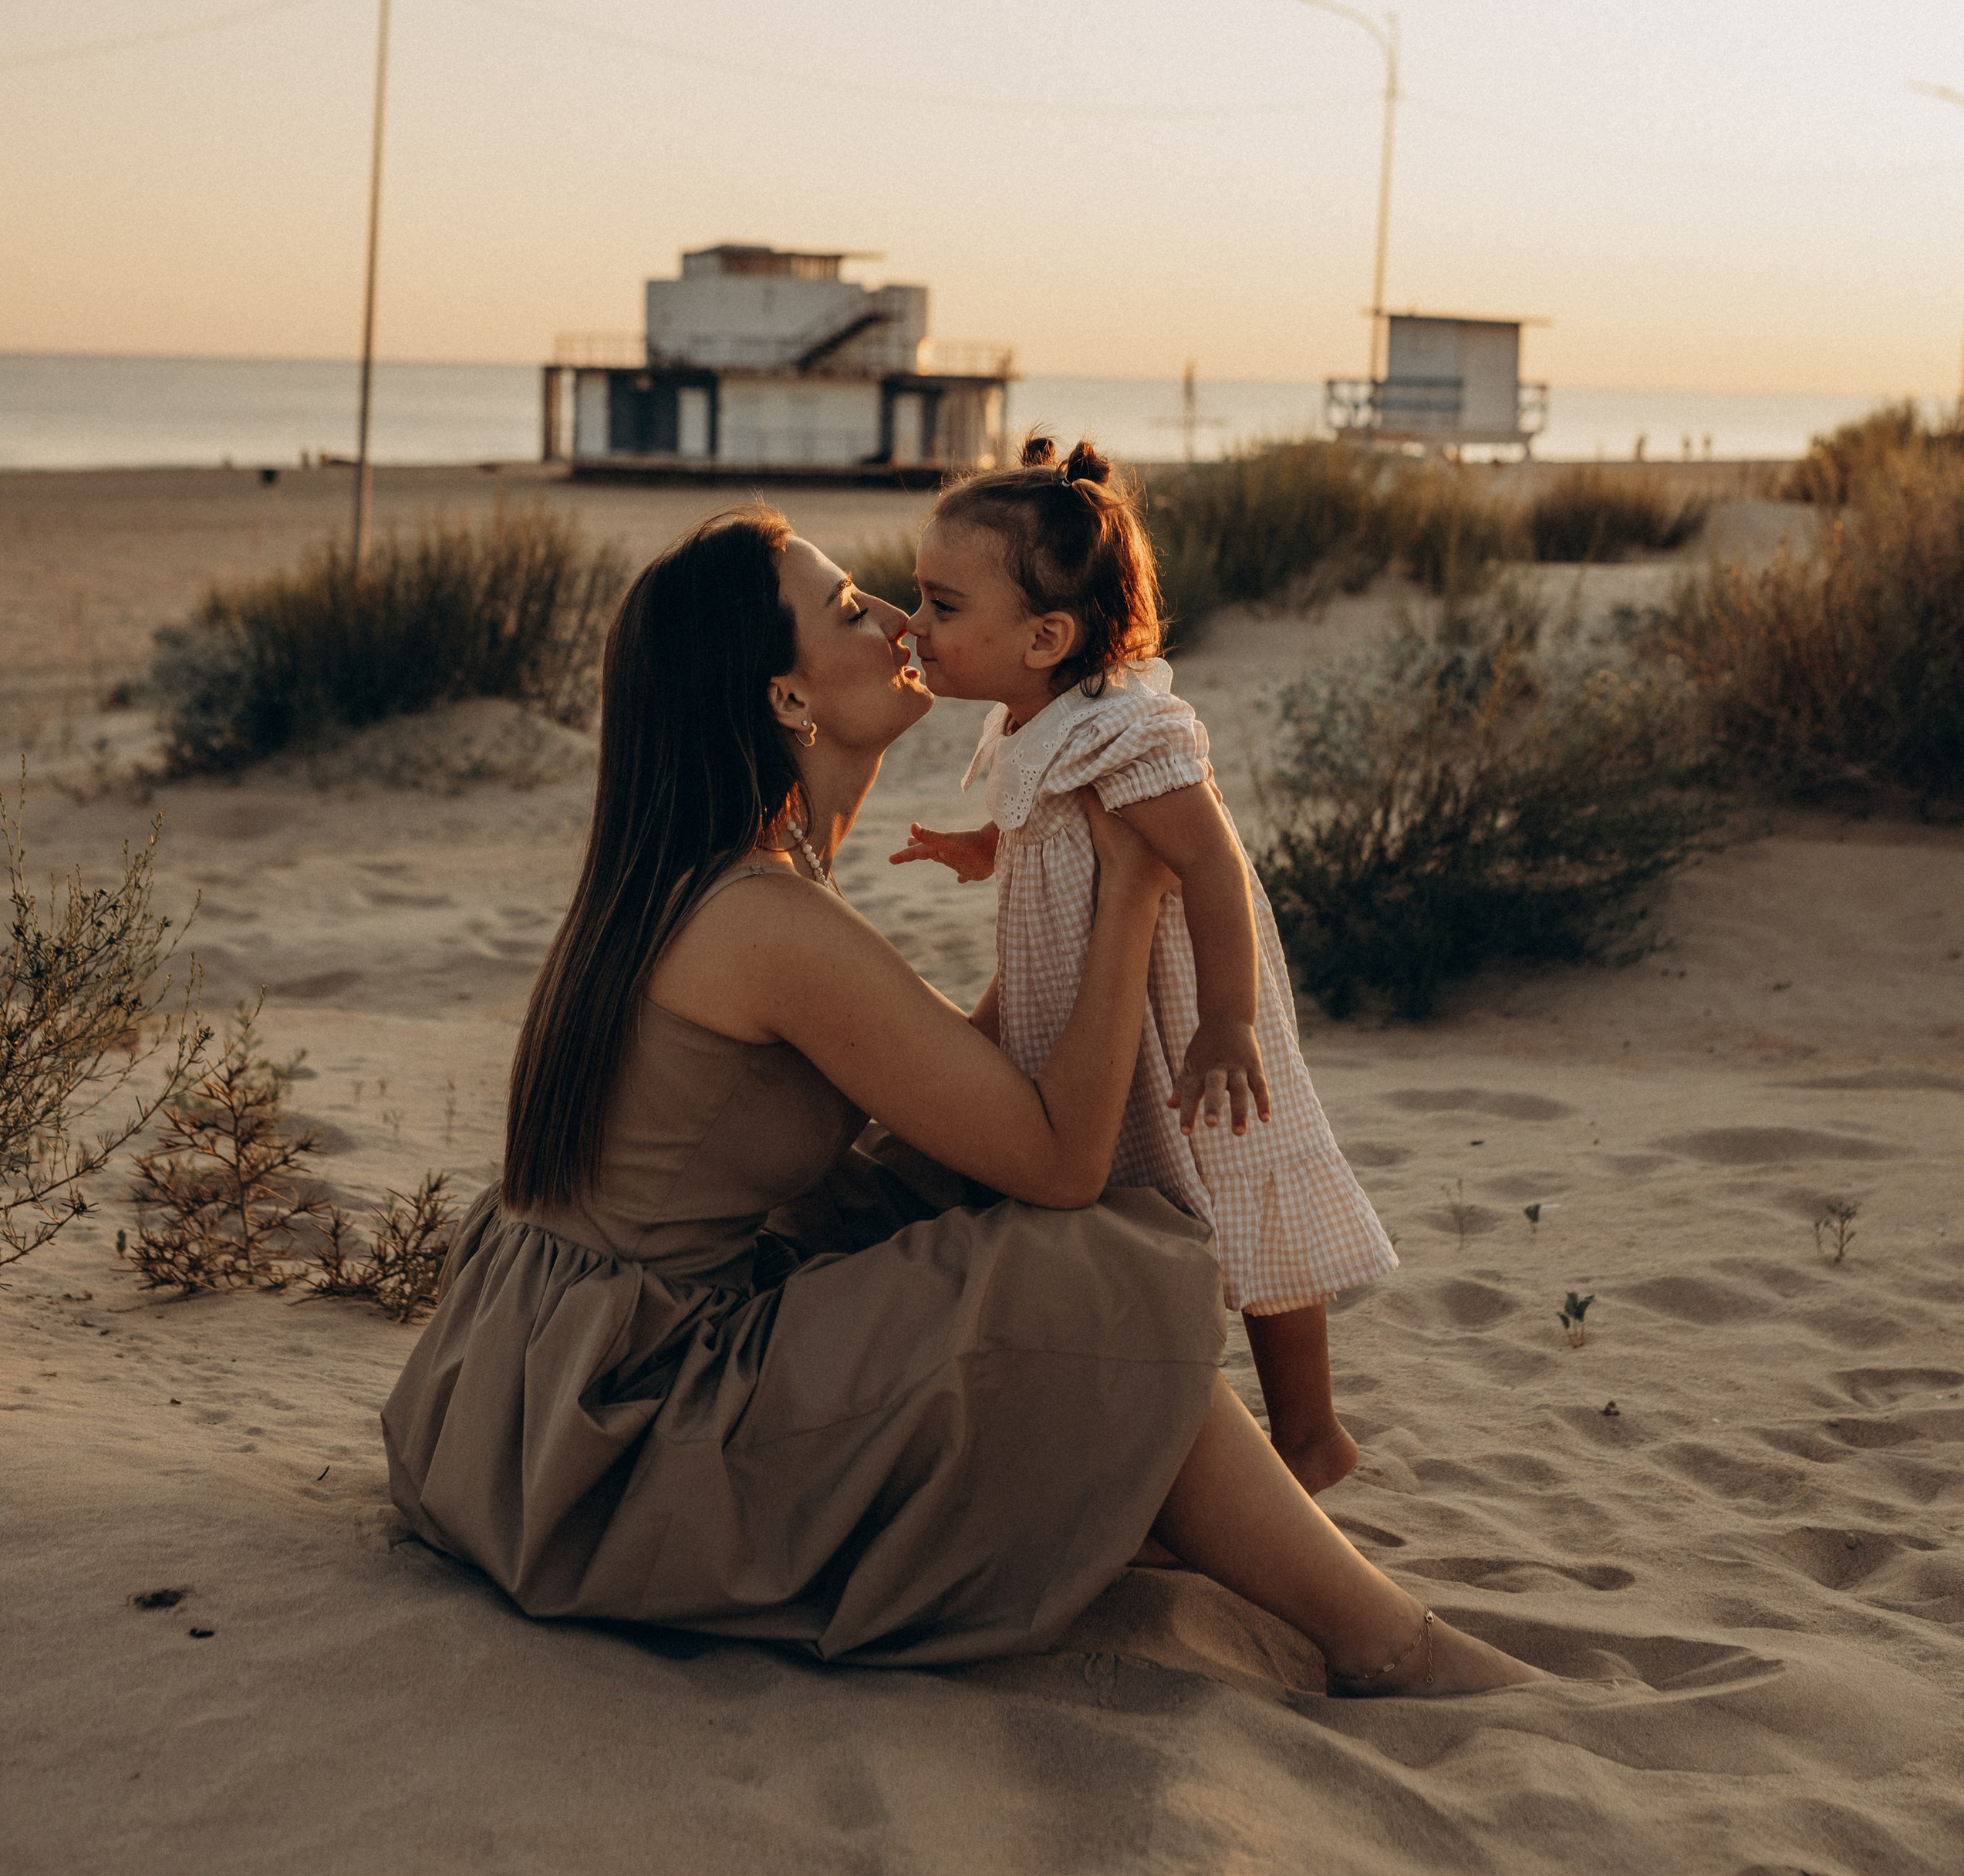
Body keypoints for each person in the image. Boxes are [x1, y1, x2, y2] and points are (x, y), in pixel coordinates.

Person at [383, 510, 1536, 1694]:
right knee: (1087, 1260)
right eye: (847, 612)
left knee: (958, 1198)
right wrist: (1134, 888)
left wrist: (1063, 887)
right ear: (787, 700)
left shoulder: (714, 870)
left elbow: (955, 1073)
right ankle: (1384, 1642)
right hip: (628, 1423)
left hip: (540, 1366)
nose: (894, 619)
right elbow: (1063, 1160)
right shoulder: (763, 916)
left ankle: (1164, 1497)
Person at [893, 435, 1392, 1493]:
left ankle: (1312, 1434)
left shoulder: (1124, 730)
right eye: (918, 599)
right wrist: (982, 848)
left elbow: (1209, 863)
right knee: (1146, 1195)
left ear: (1046, 636)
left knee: (1242, 1182)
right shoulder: (1033, 718)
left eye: (942, 606)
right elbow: (1049, 827)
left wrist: (1231, 1021)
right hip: (1085, 993)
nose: (916, 625)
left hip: (1178, 1013)